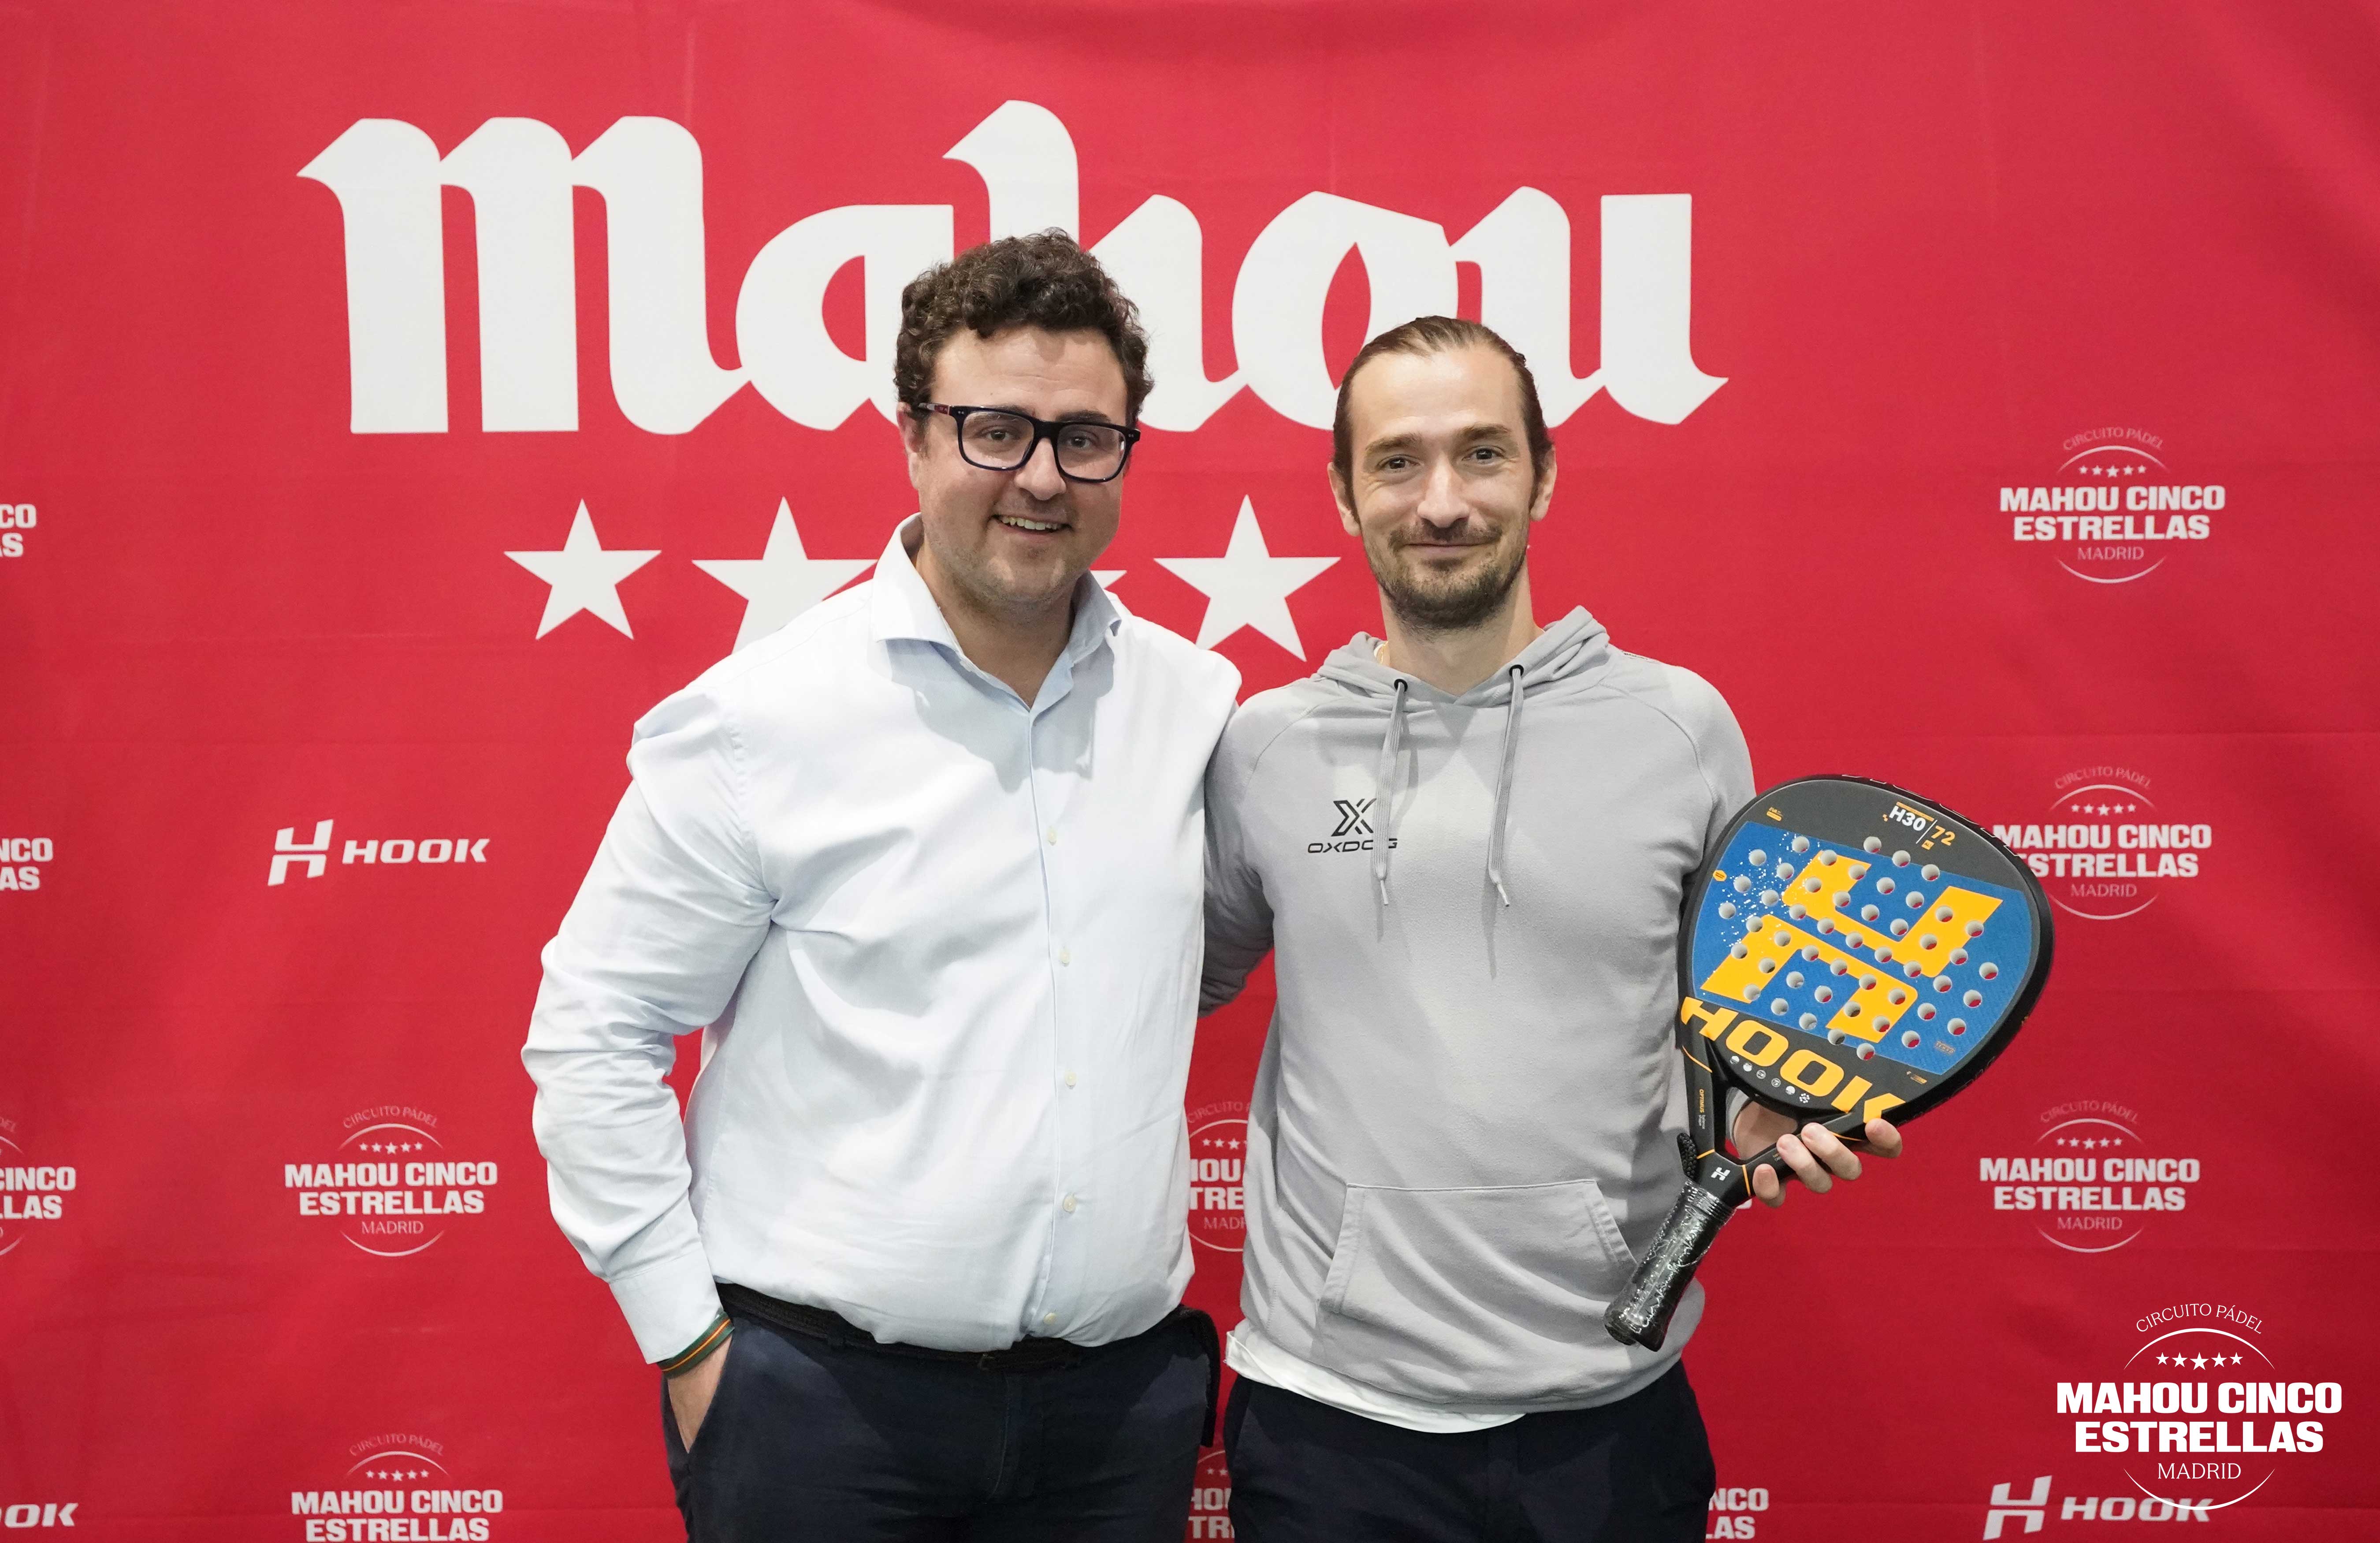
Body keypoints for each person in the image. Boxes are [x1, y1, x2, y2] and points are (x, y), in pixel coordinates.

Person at [522, 232, 1238, 1541]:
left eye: (1085, 438)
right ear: (914, 437)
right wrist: (690, 1344)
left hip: (1113, 1423)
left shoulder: (1193, 706)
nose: (1041, 476)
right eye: (994, 431)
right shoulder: (764, 718)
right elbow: (595, 1027)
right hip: (821, 1420)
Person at [1200, 316, 1904, 1542]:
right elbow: (1160, 983)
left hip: (1608, 1413)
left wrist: (1765, 1110)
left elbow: (1749, 1013)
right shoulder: (1268, 745)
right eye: (1398, 461)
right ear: (1345, 494)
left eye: (1482, 453)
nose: (1443, 501)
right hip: (1328, 1418)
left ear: (1543, 474)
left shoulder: (1681, 727)